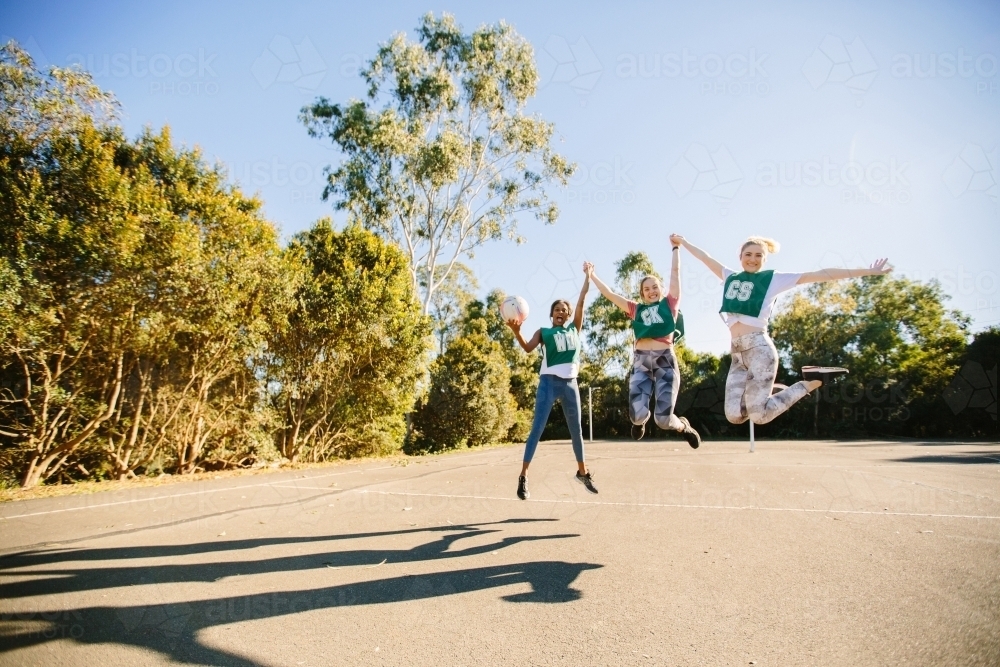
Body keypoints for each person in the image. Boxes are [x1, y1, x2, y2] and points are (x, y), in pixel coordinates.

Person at [674, 233, 891, 425]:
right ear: (740, 256)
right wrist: (683, 243)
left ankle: (812, 381)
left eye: (759, 255)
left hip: (760, 349)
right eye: (748, 254)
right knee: (734, 416)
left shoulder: (773, 279)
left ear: (764, 259)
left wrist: (868, 271)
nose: (753, 259)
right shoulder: (729, 276)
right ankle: (773, 390)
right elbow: (705, 258)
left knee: (759, 417)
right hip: (738, 356)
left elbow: (819, 274)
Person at [583, 237, 702, 448]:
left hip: (665, 361)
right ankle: (640, 423)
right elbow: (609, 294)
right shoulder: (636, 309)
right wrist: (592, 276)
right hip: (641, 363)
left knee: (664, 420)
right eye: (646, 289)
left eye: (655, 287)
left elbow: (675, 274)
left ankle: (683, 426)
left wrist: (676, 248)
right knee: (637, 415)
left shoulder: (670, 304)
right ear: (642, 294)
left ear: (661, 289)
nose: (651, 290)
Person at [506, 267, 596, 500]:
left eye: (564, 310)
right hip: (548, 382)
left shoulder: (575, 328)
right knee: (537, 429)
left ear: (568, 316)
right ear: (551, 314)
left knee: (576, 430)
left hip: (570, 385)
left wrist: (587, 277)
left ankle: (583, 472)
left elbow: (582, 300)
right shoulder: (544, 332)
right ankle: (524, 476)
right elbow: (527, 348)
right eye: (557, 309)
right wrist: (517, 331)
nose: (561, 312)